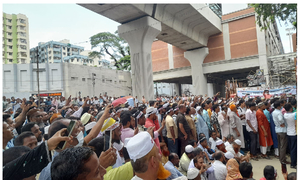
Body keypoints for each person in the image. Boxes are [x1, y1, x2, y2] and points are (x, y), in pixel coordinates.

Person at [283, 103, 297, 169]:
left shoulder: (285, 115)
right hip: (294, 133)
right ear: (291, 108)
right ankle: (293, 163)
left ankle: (293, 162)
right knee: (294, 149)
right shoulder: (294, 114)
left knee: (291, 148)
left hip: (288, 133)